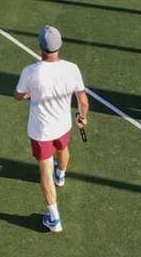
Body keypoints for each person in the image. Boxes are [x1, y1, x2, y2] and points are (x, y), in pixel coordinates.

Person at [13, 25, 90, 233]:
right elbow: (83, 101)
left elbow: (18, 95)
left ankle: (54, 219)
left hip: (41, 132)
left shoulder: (30, 71)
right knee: (63, 150)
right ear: (60, 45)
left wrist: (28, 95)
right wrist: (82, 118)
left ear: (40, 47)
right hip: (63, 126)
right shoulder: (72, 68)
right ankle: (61, 176)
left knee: (45, 171)